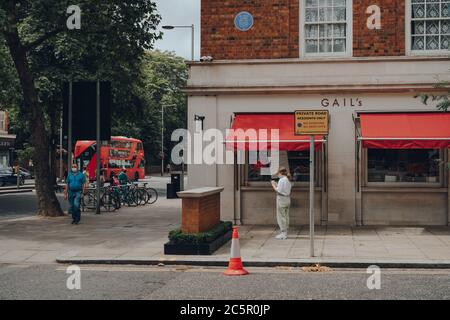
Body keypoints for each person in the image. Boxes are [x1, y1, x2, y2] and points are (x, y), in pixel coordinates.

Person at [271, 167, 292, 240]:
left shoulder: (282, 180)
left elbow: (278, 191)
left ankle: (283, 233)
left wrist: (273, 185)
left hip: (281, 199)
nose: (277, 175)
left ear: (280, 173)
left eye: (278, 174)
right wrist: (277, 185)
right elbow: (283, 189)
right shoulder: (288, 179)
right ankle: (285, 232)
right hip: (287, 199)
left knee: (281, 216)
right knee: (286, 216)